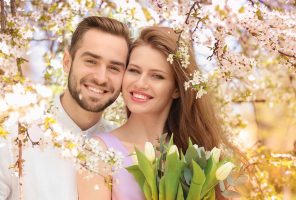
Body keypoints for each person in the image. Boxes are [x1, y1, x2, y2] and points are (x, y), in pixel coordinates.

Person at [77, 26, 227, 199]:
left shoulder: (194, 156)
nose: (140, 83)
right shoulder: (98, 152)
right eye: (134, 70)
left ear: (177, 89)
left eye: (157, 76)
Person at [0, 16, 131, 200]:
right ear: (67, 62)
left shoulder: (122, 150)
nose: (101, 78)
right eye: (91, 61)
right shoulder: (15, 133)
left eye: (114, 68)